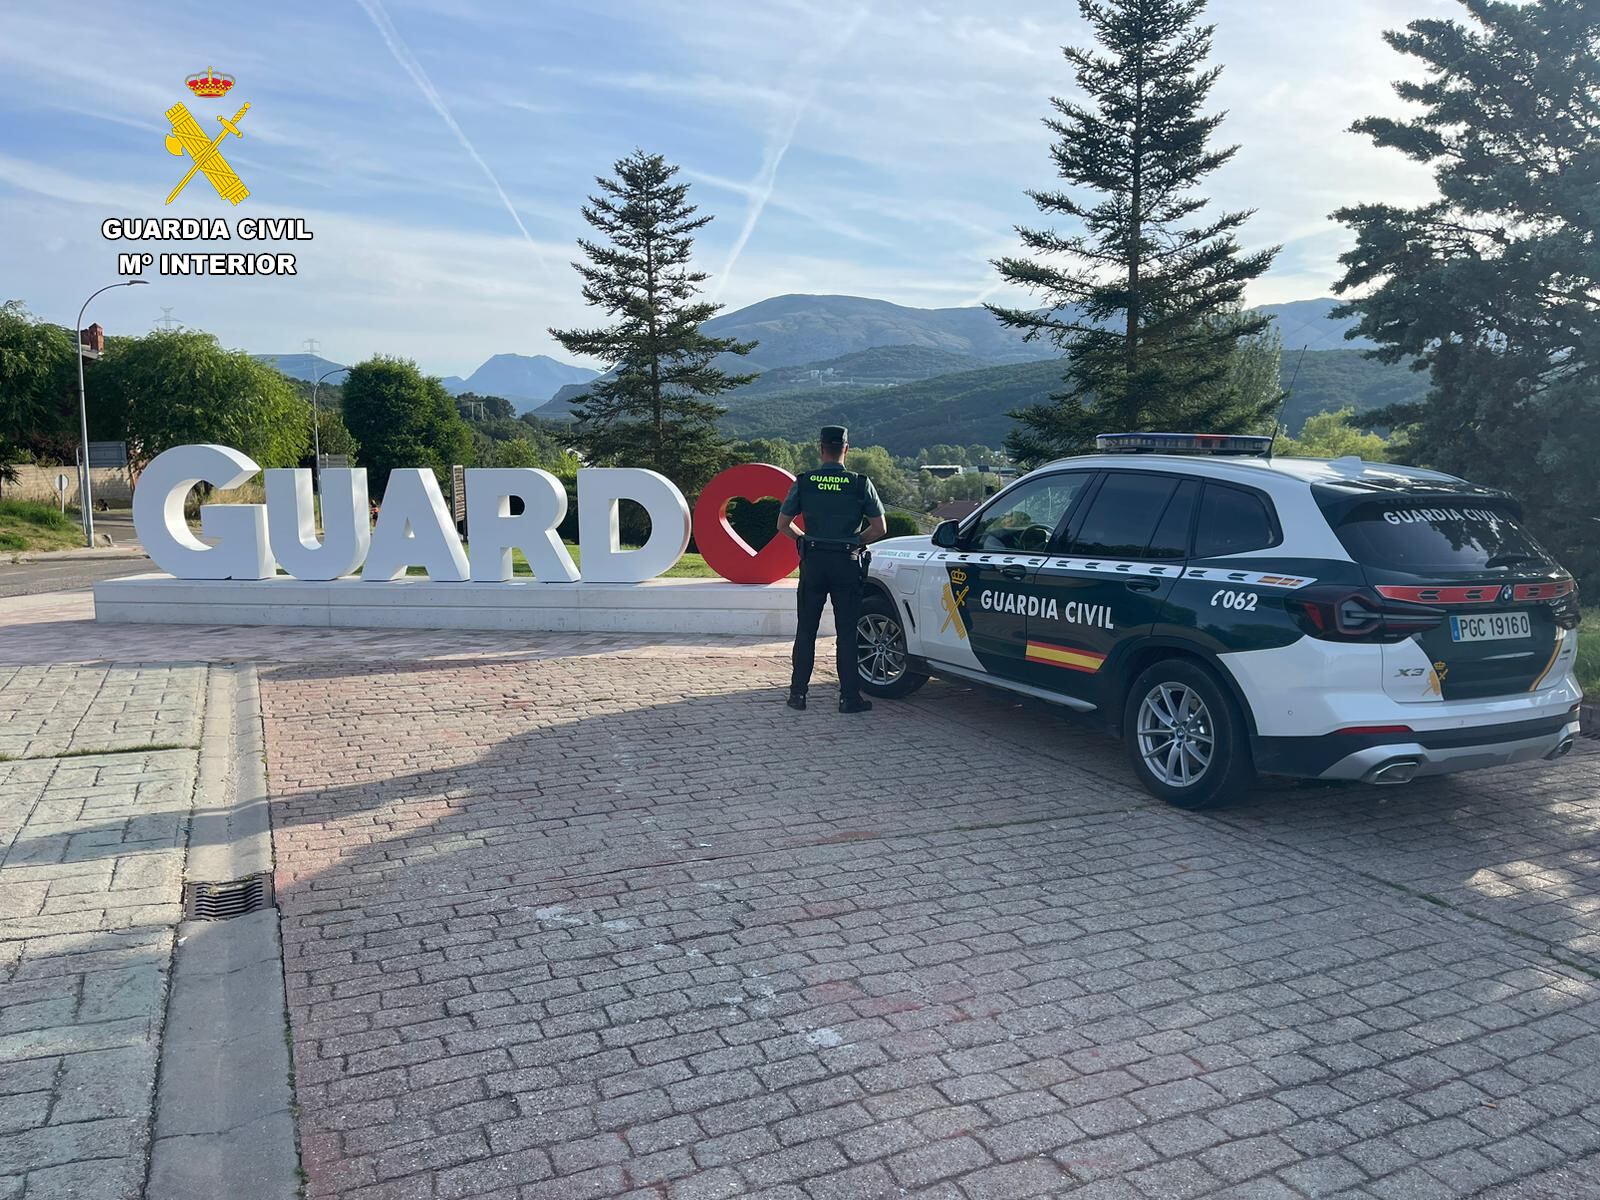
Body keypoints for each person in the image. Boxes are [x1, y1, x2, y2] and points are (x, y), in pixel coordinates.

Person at [777, 426, 888, 713]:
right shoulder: (860, 483)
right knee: (847, 633)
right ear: (846, 449)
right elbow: (879, 528)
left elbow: (782, 524)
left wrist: (803, 540)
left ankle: (797, 695)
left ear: (820, 448)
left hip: (813, 561)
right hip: (846, 562)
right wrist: (854, 542)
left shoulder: (805, 481)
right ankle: (849, 698)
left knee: (806, 630)